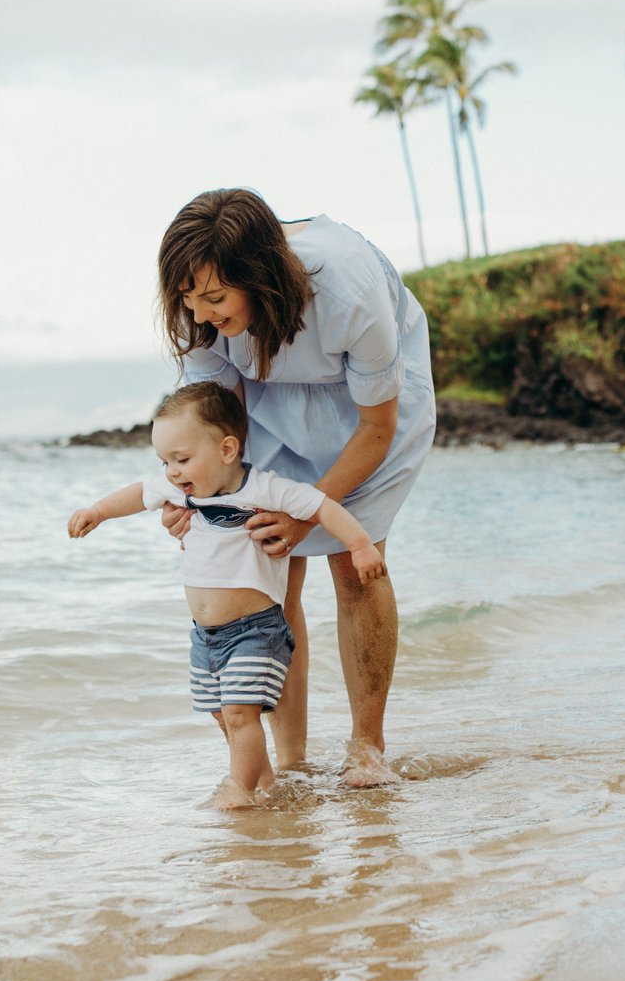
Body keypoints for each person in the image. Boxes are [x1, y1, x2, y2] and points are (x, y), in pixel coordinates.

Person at [154, 189, 436, 788]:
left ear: (261, 276)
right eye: (188, 299)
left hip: (366, 411)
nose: (201, 315)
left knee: (352, 563)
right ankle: (292, 762)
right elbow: (215, 427)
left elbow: (377, 426)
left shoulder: (349, 294)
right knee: (269, 571)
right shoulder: (205, 316)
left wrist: (313, 513)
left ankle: (367, 748)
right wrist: (200, 498)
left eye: (215, 299)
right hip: (265, 401)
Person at [66, 382, 385, 809]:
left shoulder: (264, 489)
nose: (173, 473)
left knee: (239, 713)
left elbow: (320, 506)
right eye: (165, 462)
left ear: (227, 450)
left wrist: (360, 544)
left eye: (182, 459)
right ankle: (266, 782)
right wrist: (98, 512)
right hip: (205, 638)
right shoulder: (180, 492)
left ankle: (239, 790)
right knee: (224, 717)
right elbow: (138, 494)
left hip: (256, 632)